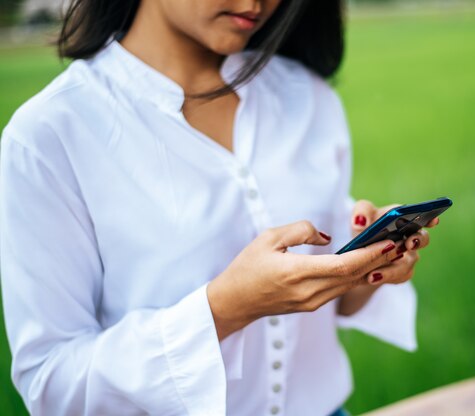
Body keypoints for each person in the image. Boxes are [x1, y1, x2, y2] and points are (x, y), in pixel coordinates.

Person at [0, 0, 438, 415]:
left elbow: (324, 309)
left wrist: (364, 270)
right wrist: (225, 308)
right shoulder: (49, 137)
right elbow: (51, 381)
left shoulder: (306, 96)